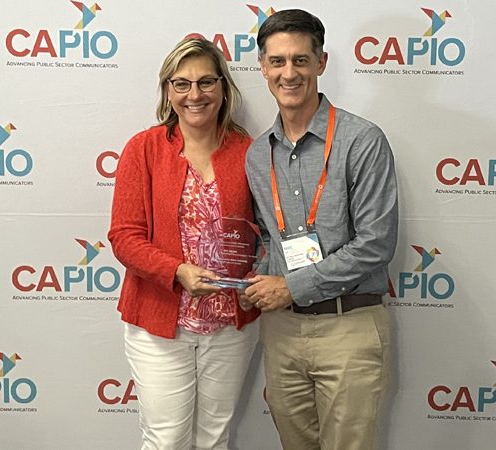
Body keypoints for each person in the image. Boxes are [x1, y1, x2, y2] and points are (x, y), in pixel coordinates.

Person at [242, 9, 399, 450]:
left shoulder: (362, 140)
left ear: (321, 63)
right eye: (277, 61)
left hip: (347, 326)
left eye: (299, 60)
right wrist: (247, 280)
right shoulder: (257, 155)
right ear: (263, 67)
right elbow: (269, 239)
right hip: (282, 331)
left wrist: (291, 286)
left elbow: (375, 245)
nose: (288, 73)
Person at [108, 38, 260, 450]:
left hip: (230, 323)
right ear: (168, 91)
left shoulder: (250, 152)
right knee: (166, 439)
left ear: (224, 88)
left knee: (214, 438)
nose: (195, 95)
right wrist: (176, 271)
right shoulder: (144, 149)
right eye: (182, 84)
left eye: (206, 82)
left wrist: (258, 279)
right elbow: (124, 236)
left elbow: (266, 235)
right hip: (160, 322)